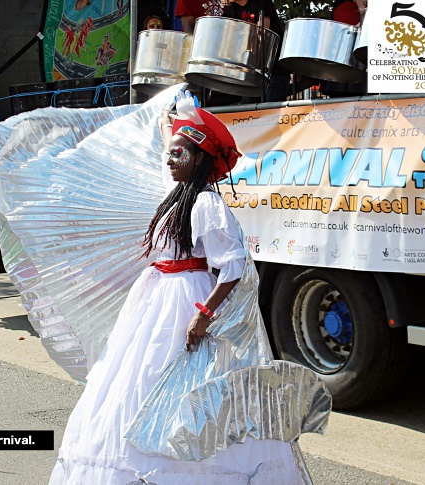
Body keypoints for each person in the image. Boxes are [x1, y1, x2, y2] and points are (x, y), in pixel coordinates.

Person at [46, 93, 312, 483]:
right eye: (168, 154)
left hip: (188, 304)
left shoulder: (206, 204)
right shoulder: (177, 200)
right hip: (157, 303)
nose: (169, 161)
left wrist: (203, 315)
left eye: (178, 154)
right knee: (138, 387)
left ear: (200, 157)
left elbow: (233, 266)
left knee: (187, 395)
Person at [222, 0, 290, 102]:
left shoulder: (261, 2)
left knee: (272, 110)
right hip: (250, 69)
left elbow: (263, 32)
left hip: (274, 68)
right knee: (250, 112)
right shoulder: (230, 8)